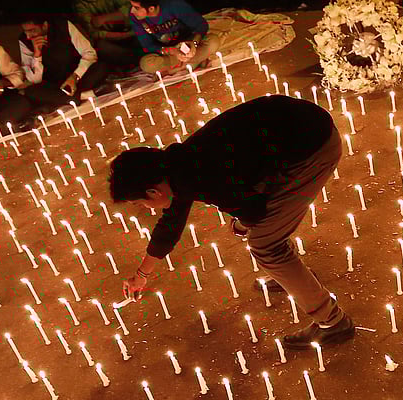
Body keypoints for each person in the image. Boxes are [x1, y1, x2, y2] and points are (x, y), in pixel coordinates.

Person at [109, 95, 354, 349]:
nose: (146, 209)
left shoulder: (205, 178)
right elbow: (170, 227)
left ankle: (333, 323)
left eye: (140, 204)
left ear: (152, 192)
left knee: (265, 245)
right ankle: (296, 279)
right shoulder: (176, 167)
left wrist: (242, 223)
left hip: (313, 147)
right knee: (266, 232)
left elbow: (255, 211)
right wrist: (141, 275)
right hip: (294, 135)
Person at [19, 14, 108, 107]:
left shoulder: (63, 26)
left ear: (44, 25)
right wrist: (37, 55)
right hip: (55, 84)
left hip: (78, 76)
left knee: (101, 67)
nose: (28, 36)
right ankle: (82, 96)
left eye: (32, 31)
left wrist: (75, 77)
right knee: (31, 91)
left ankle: (65, 98)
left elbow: (89, 53)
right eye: (25, 32)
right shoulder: (25, 40)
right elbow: (34, 80)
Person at [127, 0, 219, 74]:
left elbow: (201, 25)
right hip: (168, 53)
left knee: (213, 41)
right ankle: (195, 62)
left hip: (189, 46)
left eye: (136, 8)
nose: (133, 11)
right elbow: (148, 46)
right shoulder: (134, 17)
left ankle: (174, 69)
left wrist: (194, 43)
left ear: (151, 8)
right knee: (146, 64)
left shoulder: (174, 4)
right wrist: (171, 51)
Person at [75, 0, 140, 72]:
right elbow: (91, 31)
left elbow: (132, 8)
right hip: (109, 38)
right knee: (102, 47)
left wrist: (105, 18)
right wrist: (115, 35)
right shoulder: (80, 6)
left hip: (132, 29)